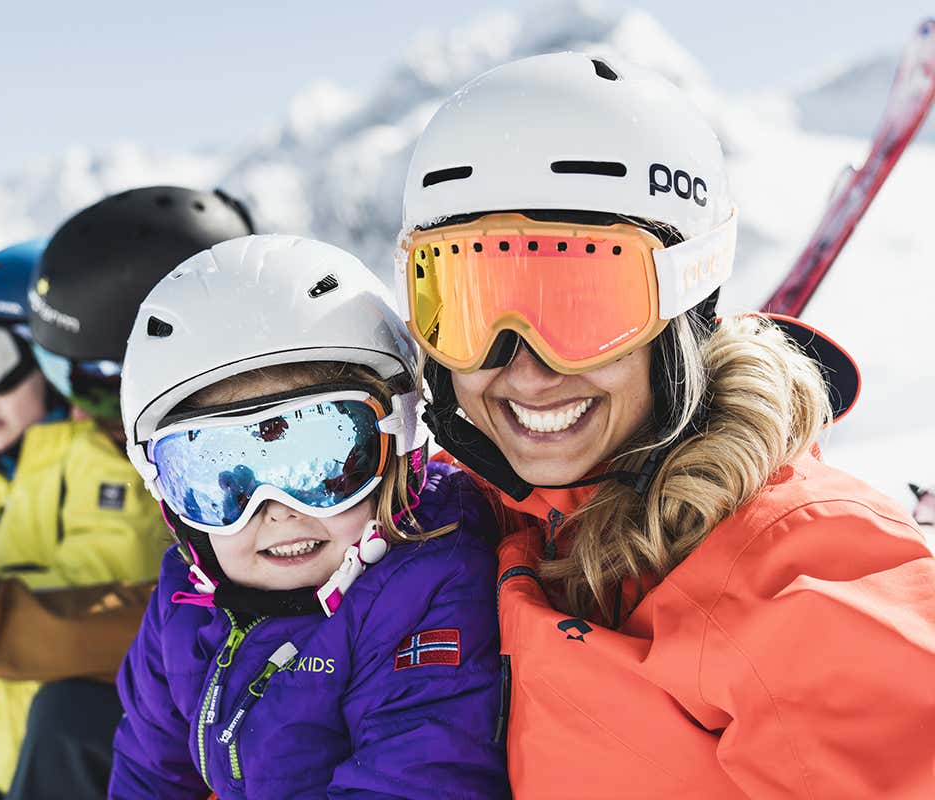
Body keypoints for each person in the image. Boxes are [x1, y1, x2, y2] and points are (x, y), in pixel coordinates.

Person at [395, 52, 935, 798]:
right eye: (467, 308)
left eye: (585, 307)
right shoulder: (456, 529)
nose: (525, 370)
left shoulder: (801, 577)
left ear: (687, 308)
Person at [0, 186, 255, 800]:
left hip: (122, 744)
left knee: (72, 721)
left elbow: (132, 626)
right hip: (10, 743)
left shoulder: (142, 467)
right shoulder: (16, 476)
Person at [110, 234, 508, 798]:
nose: (274, 511)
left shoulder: (429, 586)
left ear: (399, 441)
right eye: (220, 479)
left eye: (319, 464)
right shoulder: (184, 602)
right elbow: (147, 770)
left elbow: (414, 777)